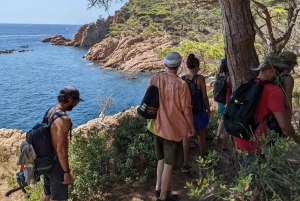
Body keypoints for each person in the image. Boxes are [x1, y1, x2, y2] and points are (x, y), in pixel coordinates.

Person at [147, 52, 195, 201]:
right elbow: (186, 109)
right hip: (172, 130)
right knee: (169, 164)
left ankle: (157, 189)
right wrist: (191, 127)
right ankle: (162, 197)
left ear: (165, 64)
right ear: (179, 65)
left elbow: (148, 99)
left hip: (156, 126)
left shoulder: (155, 78)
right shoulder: (182, 85)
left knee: (161, 160)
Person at [234, 56, 299, 156]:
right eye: (278, 70)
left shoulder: (246, 84)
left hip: (240, 139)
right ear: (272, 70)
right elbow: (285, 127)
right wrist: (297, 139)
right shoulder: (273, 90)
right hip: (259, 144)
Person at [42, 86, 84, 201]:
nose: (76, 105)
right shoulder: (64, 119)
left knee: (47, 196)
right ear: (70, 99)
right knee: (57, 199)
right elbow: (61, 150)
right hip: (57, 164)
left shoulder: (50, 110)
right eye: (76, 102)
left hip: (46, 160)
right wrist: (66, 171)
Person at [181, 54, 210, 172]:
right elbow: (204, 97)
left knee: (186, 137)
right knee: (201, 134)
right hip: (198, 110)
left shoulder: (182, 79)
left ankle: (184, 163)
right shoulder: (200, 78)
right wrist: (208, 109)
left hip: (186, 111)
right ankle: (203, 158)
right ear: (197, 66)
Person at [212, 59, 232, 152]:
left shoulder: (218, 75)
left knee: (223, 119)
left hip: (220, 102)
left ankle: (217, 136)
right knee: (228, 123)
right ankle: (224, 147)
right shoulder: (229, 77)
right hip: (227, 102)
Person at [277, 51, 298, 122]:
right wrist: (288, 121)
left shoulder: (272, 74)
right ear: (292, 64)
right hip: (280, 116)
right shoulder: (287, 78)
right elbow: (287, 103)